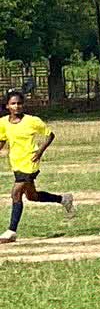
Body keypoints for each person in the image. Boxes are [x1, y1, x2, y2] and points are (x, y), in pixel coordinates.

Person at [0, 91, 74, 243]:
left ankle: (11, 231)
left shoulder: (32, 121)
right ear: (7, 106)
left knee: (16, 193)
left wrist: (39, 152)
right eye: (13, 103)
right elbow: (2, 140)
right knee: (31, 196)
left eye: (19, 103)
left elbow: (50, 135)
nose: (17, 106)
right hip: (16, 162)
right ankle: (63, 199)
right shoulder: (3, 123)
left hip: (30, 161)